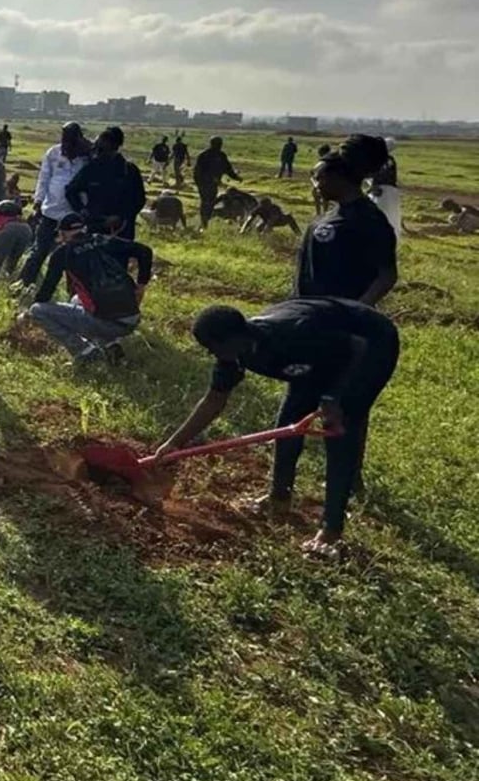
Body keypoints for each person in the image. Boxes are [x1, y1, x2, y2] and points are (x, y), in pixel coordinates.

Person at [157, 299, 399, 559]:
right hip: (317, 358)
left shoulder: (292, 333)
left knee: (339, 430)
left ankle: (331, 530)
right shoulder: (234, 353)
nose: (212, 355)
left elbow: (356, 347)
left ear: (234, 338)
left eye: (214, 348)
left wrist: (333, 398)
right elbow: (214, 400)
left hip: (370, 346)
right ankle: (279, 498)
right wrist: (174, 443)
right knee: (288, 421)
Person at [26, 213, 153, 365]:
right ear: (84, 228)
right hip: (132, 317)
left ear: (62, 233)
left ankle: (84, 351)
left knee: (37, 310)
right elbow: (145, 251)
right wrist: (141, 285)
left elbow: (46, 293)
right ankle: (111, 345)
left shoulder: (62, 253)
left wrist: (27, 314)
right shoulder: (102, 239)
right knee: (76, 300)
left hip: (106, 322)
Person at [295, 141, 397, 306]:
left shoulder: (369, 219)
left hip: (338, 322)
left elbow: (386, 276)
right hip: (308, 314)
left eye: (319, 178)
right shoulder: (328, 216)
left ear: (338, 178)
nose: (315, 185)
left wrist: (354, 311)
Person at [17, 121, 90, 287]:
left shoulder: (86, 156)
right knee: (39, 252)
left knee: (73, 254)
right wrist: (38, 201)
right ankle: (23, 284)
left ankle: (74, 294)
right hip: (50, 211)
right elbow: (44, 178)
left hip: (73, 216)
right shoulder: (53, 152)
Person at [64, 125, 146, 239]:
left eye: (103, 149)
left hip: (121, 231)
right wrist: (82, 210)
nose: (99, 153)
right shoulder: (92, 168)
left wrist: (121, 217)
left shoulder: (129, 170)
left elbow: (139, 200)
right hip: (94, 228)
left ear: (115, 147)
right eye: (98, 148)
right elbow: (70, 190)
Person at [192, 136, 241, 230]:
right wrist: (201, 183)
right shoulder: (204, 155)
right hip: (204, 183)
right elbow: (197, 172)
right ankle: (204, 223)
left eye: (219, 144)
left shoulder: (221, 155)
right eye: (217, 144)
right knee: (205, 202)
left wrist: (235, 177)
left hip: (214, 184)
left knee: (211, 202)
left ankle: (206, 222)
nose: (219, 146)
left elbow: (227, 168)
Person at [0, 200, 32, 279]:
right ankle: (7, 276)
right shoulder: (19, 218)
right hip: (27, 230)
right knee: (13, 259)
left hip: (7, 230)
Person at [368, 137, 401, 238]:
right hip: (389, 190)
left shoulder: (379, 160)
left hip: (381, 190)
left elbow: (373, 175)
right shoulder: (389, 160)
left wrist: (372, 186)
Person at [312, 143, 333, 215]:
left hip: (322, 182)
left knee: (320, 197)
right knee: (322, 197)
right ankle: (323, 212)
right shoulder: (331, 160)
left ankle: (320, 213)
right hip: (326, 181)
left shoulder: (324, 161)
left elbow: (314, 170)